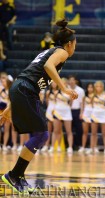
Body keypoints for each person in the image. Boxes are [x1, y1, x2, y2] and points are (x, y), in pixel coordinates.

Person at [0, 19, 78, 194]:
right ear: (69, 44)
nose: (75, 47)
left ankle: (17, 176)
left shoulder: (49, 50)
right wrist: (64, 88)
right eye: (75, 44)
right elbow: (48, 66)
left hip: (21, 88)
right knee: (42, 134)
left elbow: (28, 76)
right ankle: (14, 175)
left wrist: (9, 108)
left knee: (40, 134)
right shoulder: (61, 52)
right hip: (26, 89)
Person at [51, 78, 74, 154]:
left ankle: (70, 147)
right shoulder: (56, 92)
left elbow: (71, 103)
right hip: (58, 111)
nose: (64, 84)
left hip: (66, 112)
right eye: (62, 83)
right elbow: (54, 102)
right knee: (56, 130)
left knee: (68, 131)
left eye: (65, 83)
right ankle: (54, 146)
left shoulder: (70, 93)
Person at [90, 81, 105, 154]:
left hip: (103, 114)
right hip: (94, 114)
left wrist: (103, 109)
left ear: (102, 87)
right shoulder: (92, 95)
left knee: (104, 133)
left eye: (100, 86)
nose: (98, 88)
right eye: (97, 86)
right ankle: (93, 148)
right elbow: (92, 105)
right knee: (93, 132)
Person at [0, 73, 17, 152]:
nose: (3, 83)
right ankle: (4, 145)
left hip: (13, 111)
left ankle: (15, 145)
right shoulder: (1, 90)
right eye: (2, 81)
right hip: (5, 112)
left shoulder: (12, 90)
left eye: (4, 81)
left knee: (14, 129)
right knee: (6, 129)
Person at [41, 82, 59, 152]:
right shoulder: (48, 92)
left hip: (57, 111)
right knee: (48, 130)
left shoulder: (60, 92)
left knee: (56, 130)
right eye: (53, 83)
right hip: (49, 111)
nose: (54, 84)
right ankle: (46, 145)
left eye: (55, 83)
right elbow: (47, 101)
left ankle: (53, 146)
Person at [68, 75, 84, 150]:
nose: (71, 81)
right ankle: (70, 145)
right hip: (67, 111)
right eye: (70, 80)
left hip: (77, 111)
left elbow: (82, 103)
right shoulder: (66, 89)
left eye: (72, 80)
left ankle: (79, 145)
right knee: (69, 129)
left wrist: (81, 112)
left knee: (78, 129)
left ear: (75, 81)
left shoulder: (80, 90)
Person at [78, 82, 94, 153]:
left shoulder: (96, 96)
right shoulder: (84, 97)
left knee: (94, 132)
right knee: (85, 132)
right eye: (89, 87)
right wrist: (81, 113)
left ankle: (93, 147)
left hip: (94, 114)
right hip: (86, 114)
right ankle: (83, 147)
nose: (90, 89)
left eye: (91, 87)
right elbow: (82, 106)